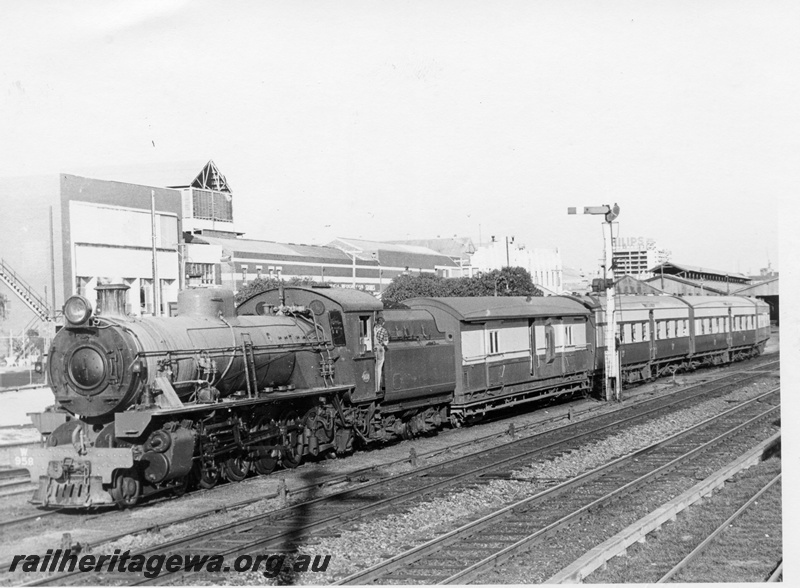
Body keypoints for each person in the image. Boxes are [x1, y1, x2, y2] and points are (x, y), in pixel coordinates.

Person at [373, 316, 389, 392]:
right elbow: (385, 342)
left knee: (375, 367)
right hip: (380, 349)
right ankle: (377, 387)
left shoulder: (373, 329)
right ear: (383, 323)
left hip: (373, 349)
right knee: (379, 368)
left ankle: (375, 386)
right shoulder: (384, 331)